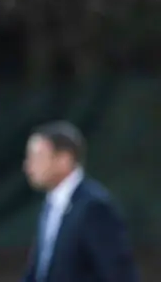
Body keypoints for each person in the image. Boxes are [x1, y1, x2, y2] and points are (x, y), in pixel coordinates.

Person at [21, 120, 139, 282]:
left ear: (64, 159)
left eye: (38, 156)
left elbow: (118, 274)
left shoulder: (94, 207)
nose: (28, 166)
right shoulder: (50, 206)